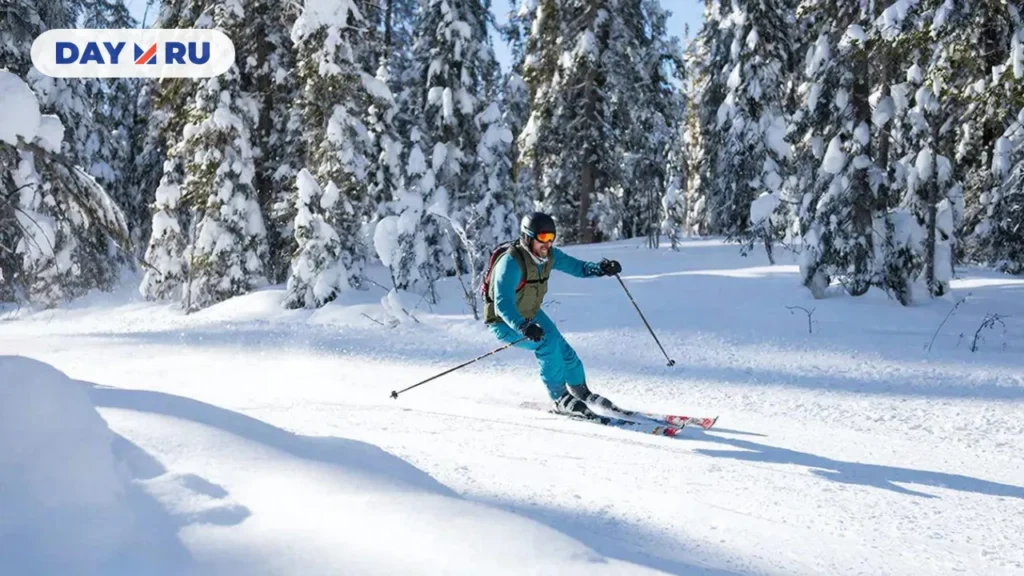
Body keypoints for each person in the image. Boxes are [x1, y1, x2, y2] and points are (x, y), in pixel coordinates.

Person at [483, 212, 622, 418]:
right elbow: (503, 305)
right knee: (547, 345)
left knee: (562, 347)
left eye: (551, 238)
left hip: (530, 313)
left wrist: (600, 269)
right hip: (504, 322)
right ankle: (560, 398)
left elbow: (579, 267)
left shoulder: (549, 256)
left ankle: (581, 391)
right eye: (543, 239)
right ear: (528, 238)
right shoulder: (511, 263)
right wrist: (523, 326)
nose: (547, 244)